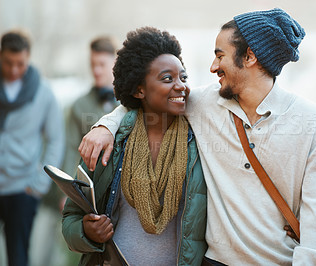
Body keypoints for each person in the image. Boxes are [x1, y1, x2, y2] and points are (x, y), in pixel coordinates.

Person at [79, 8, 316, 265]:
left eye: (220, 56)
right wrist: (105, 126)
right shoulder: (205, 103)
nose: (213, 67)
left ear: (249, 57)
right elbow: (146, 97)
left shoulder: (312, 121)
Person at [62, 27, 207, 266]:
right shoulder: (108, 143)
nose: (180, 85)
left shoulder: (198, 144)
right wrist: (86, 232)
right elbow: (71, 217)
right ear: (139, 89)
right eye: (167, 79)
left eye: (183, 77)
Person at [0, 29, 64, 266]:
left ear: (28, 58)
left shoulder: (44, 93)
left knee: (18, 258)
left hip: (23, 189)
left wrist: (40, 184)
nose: (14, 69)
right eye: (8, 62)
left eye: (20, 63)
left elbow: (56, 139)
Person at [62, 36, 119, 176]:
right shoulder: (79, 105)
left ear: (115, 63)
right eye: (93, 65)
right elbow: (71, 149)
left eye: (101, 64)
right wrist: (66, 190)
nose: (96, 71)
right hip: (91, 186)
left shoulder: (130, 102)